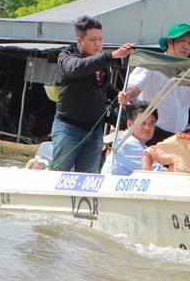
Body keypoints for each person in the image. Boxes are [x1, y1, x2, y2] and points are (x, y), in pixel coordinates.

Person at [51, 15, 134, 173]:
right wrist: (111, 55)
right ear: (80, 41)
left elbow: (103, 86)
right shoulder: (67, 57)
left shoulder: (101, 62)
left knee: (88, 177)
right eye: (92, 40)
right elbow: (78, 67)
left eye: (100, 39)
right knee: (59, 174)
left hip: (94, 130)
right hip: (69, 127)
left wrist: (118, 96)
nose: (98, 44)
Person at [118, 23, 190, 144]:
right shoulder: (153, 63)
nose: (186, 46)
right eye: (182, 41)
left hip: (180, 135)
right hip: (152, 131)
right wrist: (127, 95)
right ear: (169, 42)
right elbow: (137, 86)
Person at [100, 102, 166, 176]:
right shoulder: (128, 145)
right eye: (142, 123)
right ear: (129, 124)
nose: (147, 128)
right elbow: (160, 173)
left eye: (151, 124)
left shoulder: (140, 146)